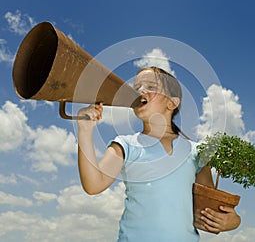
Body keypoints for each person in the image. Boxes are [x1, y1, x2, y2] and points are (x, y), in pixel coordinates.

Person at [77, 66, 241, 241]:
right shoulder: (125, 145)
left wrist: (233, 221)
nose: (140, 91)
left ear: (172, 102)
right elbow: (93, 185)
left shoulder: (196, 153)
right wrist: (85, 131)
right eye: (136, 87)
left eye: (151, 87)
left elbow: (209, 210)